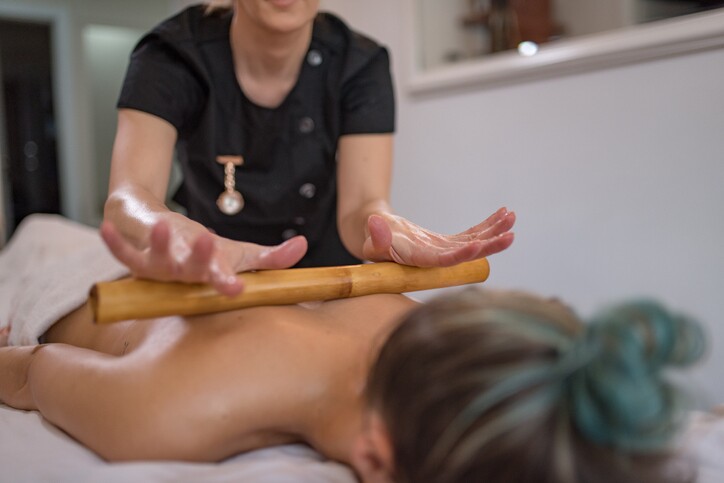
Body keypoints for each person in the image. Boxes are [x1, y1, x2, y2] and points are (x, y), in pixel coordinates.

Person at [0, 282, 704, 482]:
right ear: (374, 457)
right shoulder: (169, 411)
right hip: (70, 287)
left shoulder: (430, 337)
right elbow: (31, 372)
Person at [102, 0, 516, 296]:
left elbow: (362, 205)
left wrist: (386, 229)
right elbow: (128, 196)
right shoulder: (171, 55)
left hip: (327, 269)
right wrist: (172, 230)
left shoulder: (360, 63)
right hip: (213, 269)